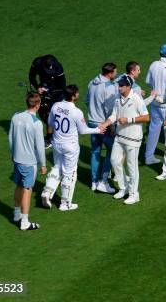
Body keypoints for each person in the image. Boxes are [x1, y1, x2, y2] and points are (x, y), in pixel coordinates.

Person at [40, 85, 103, 211]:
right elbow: (83, 130)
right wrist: (98, 129)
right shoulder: (76, 112)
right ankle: (65, 203)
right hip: (70, 147)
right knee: (70, 173)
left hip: (57, 143)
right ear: (74, 95)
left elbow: (51, 123)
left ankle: (47, 192)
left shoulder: (56, 106)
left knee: (57, 167)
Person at [98, 75, 150, 205]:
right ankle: (124, 188)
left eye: (121, 86)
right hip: (120, 137)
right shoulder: (118, 99)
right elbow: (114, 115)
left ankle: (134, 194)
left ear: (128, 86)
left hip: (133, 138)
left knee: (132, 167)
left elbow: (146, 117)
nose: (118, 87)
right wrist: (105, 124)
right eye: (118, 85)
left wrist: (129, 120)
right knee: (114, 161)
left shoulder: (137, 98)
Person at [9, 92, 47, 230]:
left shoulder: (16, 117)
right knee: (27, 189)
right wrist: (43, 164)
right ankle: (24, 222)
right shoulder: (36, 123)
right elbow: (40, 146)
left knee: (19, 186)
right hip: (29, 163)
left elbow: (11, 139)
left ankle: (16, 214)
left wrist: (13, 154)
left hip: (17, 160)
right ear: (37, 105)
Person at [85, 62, 118, 194]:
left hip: (92, 123)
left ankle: (94, 182)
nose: (116, 74)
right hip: (103, 124)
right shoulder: (109, 87)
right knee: (113, 149)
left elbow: (87, 100)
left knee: (95, 151)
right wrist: (109, 125)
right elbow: (109, 109)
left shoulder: (92, 82)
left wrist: (93, 112)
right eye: (115, 72)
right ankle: (103, 181)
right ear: (110, 73)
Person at [145, 45, 166, 165]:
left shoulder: (153, 64)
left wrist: (156, 88)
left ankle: (148, 156)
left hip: (154, 103)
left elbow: (148, 81)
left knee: (153, 131)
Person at [28, 54, 66, 147]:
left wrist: (51, 92)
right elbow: (31, 76)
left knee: (51, 114)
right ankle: (52, 133)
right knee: (43, 113)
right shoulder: (37, 62)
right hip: (43, 86)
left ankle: (50, 138)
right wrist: (37, 88)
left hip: (56, 89)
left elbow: (62, 85)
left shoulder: (58, 67)